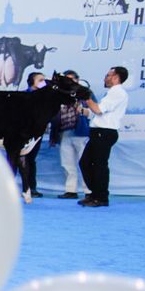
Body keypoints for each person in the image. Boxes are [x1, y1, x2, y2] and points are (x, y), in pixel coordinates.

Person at [78, 66, 128, 208]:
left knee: (99, 165)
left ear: (116, 77)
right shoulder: (111, 93)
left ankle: (101, 197)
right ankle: (95, 194)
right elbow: (96, 112)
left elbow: (98, 110)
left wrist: (86, 96)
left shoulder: (117, 93)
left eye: (108, 75)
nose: (105, 78)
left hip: (104, 132)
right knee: (86, 163)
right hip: (99, 132)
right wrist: (82, 110)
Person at [55, 70, 91, 199]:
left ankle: (89, 191)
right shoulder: (59, 95)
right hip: (65, 132)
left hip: (81, 132)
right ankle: (71, 190)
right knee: (67, 163)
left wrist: (81, 109)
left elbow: (94, 110)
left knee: (85, 163)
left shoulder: (85, 93)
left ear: (77, 80)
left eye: (71, 80)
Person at [17, 72, 49, 199]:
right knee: (18, 159)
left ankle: (31, 187)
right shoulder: (23, 96)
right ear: (32, 82)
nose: (44, 82)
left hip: (37, 133)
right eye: (40, 80)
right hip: (22, 132)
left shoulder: (46, 97)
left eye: (44, 80)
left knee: (31, 160)